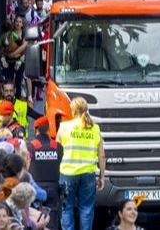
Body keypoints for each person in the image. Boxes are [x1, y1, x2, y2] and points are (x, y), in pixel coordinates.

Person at [57, 97, 105, 230]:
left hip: (67, 173)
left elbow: (58, 151)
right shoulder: (95, 128)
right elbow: (101, 155)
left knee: (66, 208)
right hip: (88, 174)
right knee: (86, 209)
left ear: (72, 111)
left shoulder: (64, 127)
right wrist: (102, 176)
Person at [27, 117, 62, 230]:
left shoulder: (30, 146)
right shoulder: (58, 147)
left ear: (35, 130)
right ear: (48, 129)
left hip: (35, 190)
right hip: (54, 189)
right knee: (52, 221)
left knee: (36, 221)